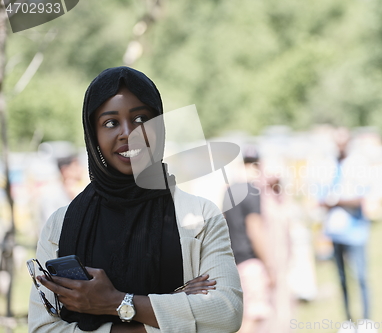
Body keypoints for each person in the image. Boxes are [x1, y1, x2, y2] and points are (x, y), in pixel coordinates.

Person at [28, 67, 243, 333]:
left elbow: (225, 313)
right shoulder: (61, 224)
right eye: (110, 123)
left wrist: (114, 302)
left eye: (141, 119)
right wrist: (175, 308)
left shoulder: (199, 215)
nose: (128, 133)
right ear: (92, 134)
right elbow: (42, 328)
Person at [318, 128, 373, 331]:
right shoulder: (327, 164)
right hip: (335, 230)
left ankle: (367, 320)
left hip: (356, 229)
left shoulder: (358, 164)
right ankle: (348, 320)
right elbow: (320, 197)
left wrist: (337, 200)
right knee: (341, 278)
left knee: (361, 276)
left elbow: (360, 198)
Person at [223, 148, 273, 333]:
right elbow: (255, 231)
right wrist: (269, 267)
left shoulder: (229, 191)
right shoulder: (252, 191)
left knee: (241, 315)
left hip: (234, 262)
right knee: (254, 316)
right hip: (251, 262)